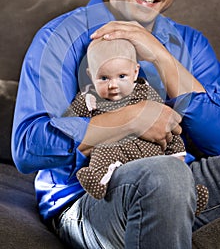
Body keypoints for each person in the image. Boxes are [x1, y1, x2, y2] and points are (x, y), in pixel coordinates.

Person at [12, 0, 220, 249]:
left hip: (186, 184)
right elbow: (28, 147)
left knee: (171, 177)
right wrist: (132, 118)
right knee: (165, 176)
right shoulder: (60, 39)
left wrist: (161, 57)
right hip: (90, 197)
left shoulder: (191, 44)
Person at [64, 37, 208, 214]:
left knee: (172, 166)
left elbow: (164, 122)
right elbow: (69, 124)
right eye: (103, 78)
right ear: (90, 75)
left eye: (122, 76)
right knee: (102, 151)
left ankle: (189, 197)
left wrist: (175, 154)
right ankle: (99, 180)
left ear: (135, 72)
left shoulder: (145, 91)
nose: (113, 85)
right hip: (115, 149)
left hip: (150, 150)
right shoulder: (89, 98)